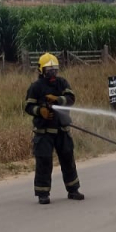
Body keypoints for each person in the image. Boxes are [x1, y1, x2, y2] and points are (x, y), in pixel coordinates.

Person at [24, 53, 84, 205]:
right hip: (44, 132)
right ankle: (43, 193)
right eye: (48, 70)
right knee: (44, 161)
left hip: (62, 129)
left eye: (54, 70)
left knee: (68, 158)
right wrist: (41, 111)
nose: (52, 73)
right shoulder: (35, 87)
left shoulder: (62, 83)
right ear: (41, 70)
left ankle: (73, 190)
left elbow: (71, 99)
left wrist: (58, 100)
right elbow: (28, 106)